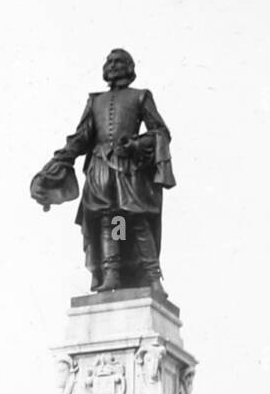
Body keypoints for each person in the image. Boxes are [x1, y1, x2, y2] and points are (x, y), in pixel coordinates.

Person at [32, 48, 175, 297]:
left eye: (119, 61)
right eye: (110, 61)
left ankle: (153, 278)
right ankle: (112, 272)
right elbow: (82, 137)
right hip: (100, 170)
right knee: (112, 220)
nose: (113, 65)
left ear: (129, 67)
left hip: (128, 168)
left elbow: (160, 132)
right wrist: (60, 160)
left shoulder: (141, 96)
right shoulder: (95, 101)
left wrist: (137, 144)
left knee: (138, 221)